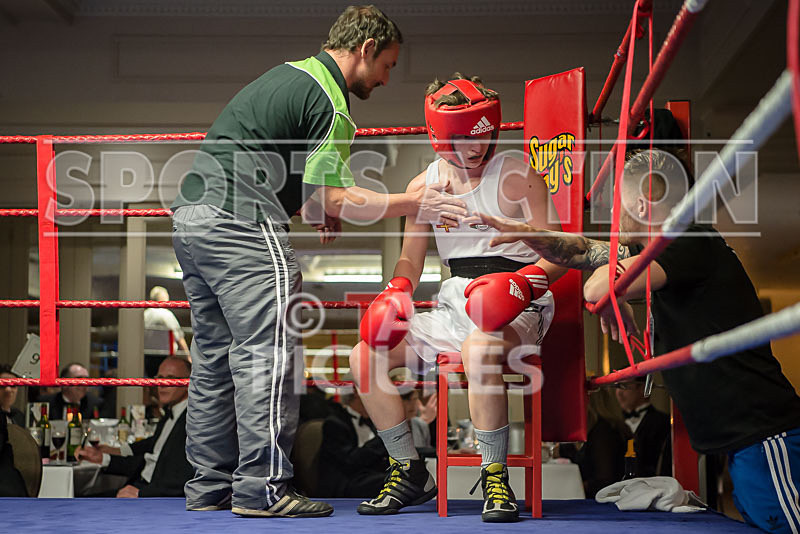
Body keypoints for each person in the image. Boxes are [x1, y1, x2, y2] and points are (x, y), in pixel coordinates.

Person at [170, 5, 467, 519]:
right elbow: (331, 197)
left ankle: (209, 488)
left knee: (216, 360)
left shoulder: (291, 74)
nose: (386, 79)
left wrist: (318, 207)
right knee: (271, 354)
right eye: (388, 66)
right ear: (366, 49)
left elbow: (311, 191)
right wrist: (410, 203)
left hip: (193, 221)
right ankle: (263, 489)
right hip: (242, 220)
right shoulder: (333, 101)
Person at [480, 147, 800, 534]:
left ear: (644, 202)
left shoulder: (689, 239)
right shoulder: (663, 247)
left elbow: (600, 284)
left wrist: (616, 296)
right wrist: (531, 235)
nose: (614, 217)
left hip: (766, 435)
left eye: (618, 205)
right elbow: (584, 252)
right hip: (744, 439)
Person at [350, 74, 566, 522]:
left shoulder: (520, 176)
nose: (474, 149)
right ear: (438, 136)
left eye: (482, 138)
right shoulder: (422, 187)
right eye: (463, 139)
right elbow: (410, 261)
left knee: (480, 346)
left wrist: (525, 284)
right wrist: (399, 289)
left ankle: (495, 478)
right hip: (455, 300)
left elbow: (561, 255)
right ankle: (408, 469)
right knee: (363, 355)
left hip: (520, 297)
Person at [76, 357, 193, 498]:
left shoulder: (192, 420)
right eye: (160, 378)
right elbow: (148, 452)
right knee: (77, 497)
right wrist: (104, 457)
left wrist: (141, 493)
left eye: (170, 378)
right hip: (140, 486)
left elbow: (186, 477)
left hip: (153, 496)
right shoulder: (171, 414)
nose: (162, 384)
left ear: (188, 382)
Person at [317, 392, 388, 498]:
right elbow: (351, 461)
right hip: (347, 481)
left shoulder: (372, 421)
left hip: (371, 474)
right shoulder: (334, 423)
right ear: (357, 396)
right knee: (389, 482)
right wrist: (383, 438)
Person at [615, 378, 671, 478]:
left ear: (642, 388)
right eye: (617, 387)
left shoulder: (663, 422)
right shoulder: (614, 424)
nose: (619, 393)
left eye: (623, 387)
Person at [144, 286, 190, 357]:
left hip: (146, 356)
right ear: (163, 298)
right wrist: (188, 356)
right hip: (165, 357)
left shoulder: (145, 314)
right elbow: (179, 338)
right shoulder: (166, 314)